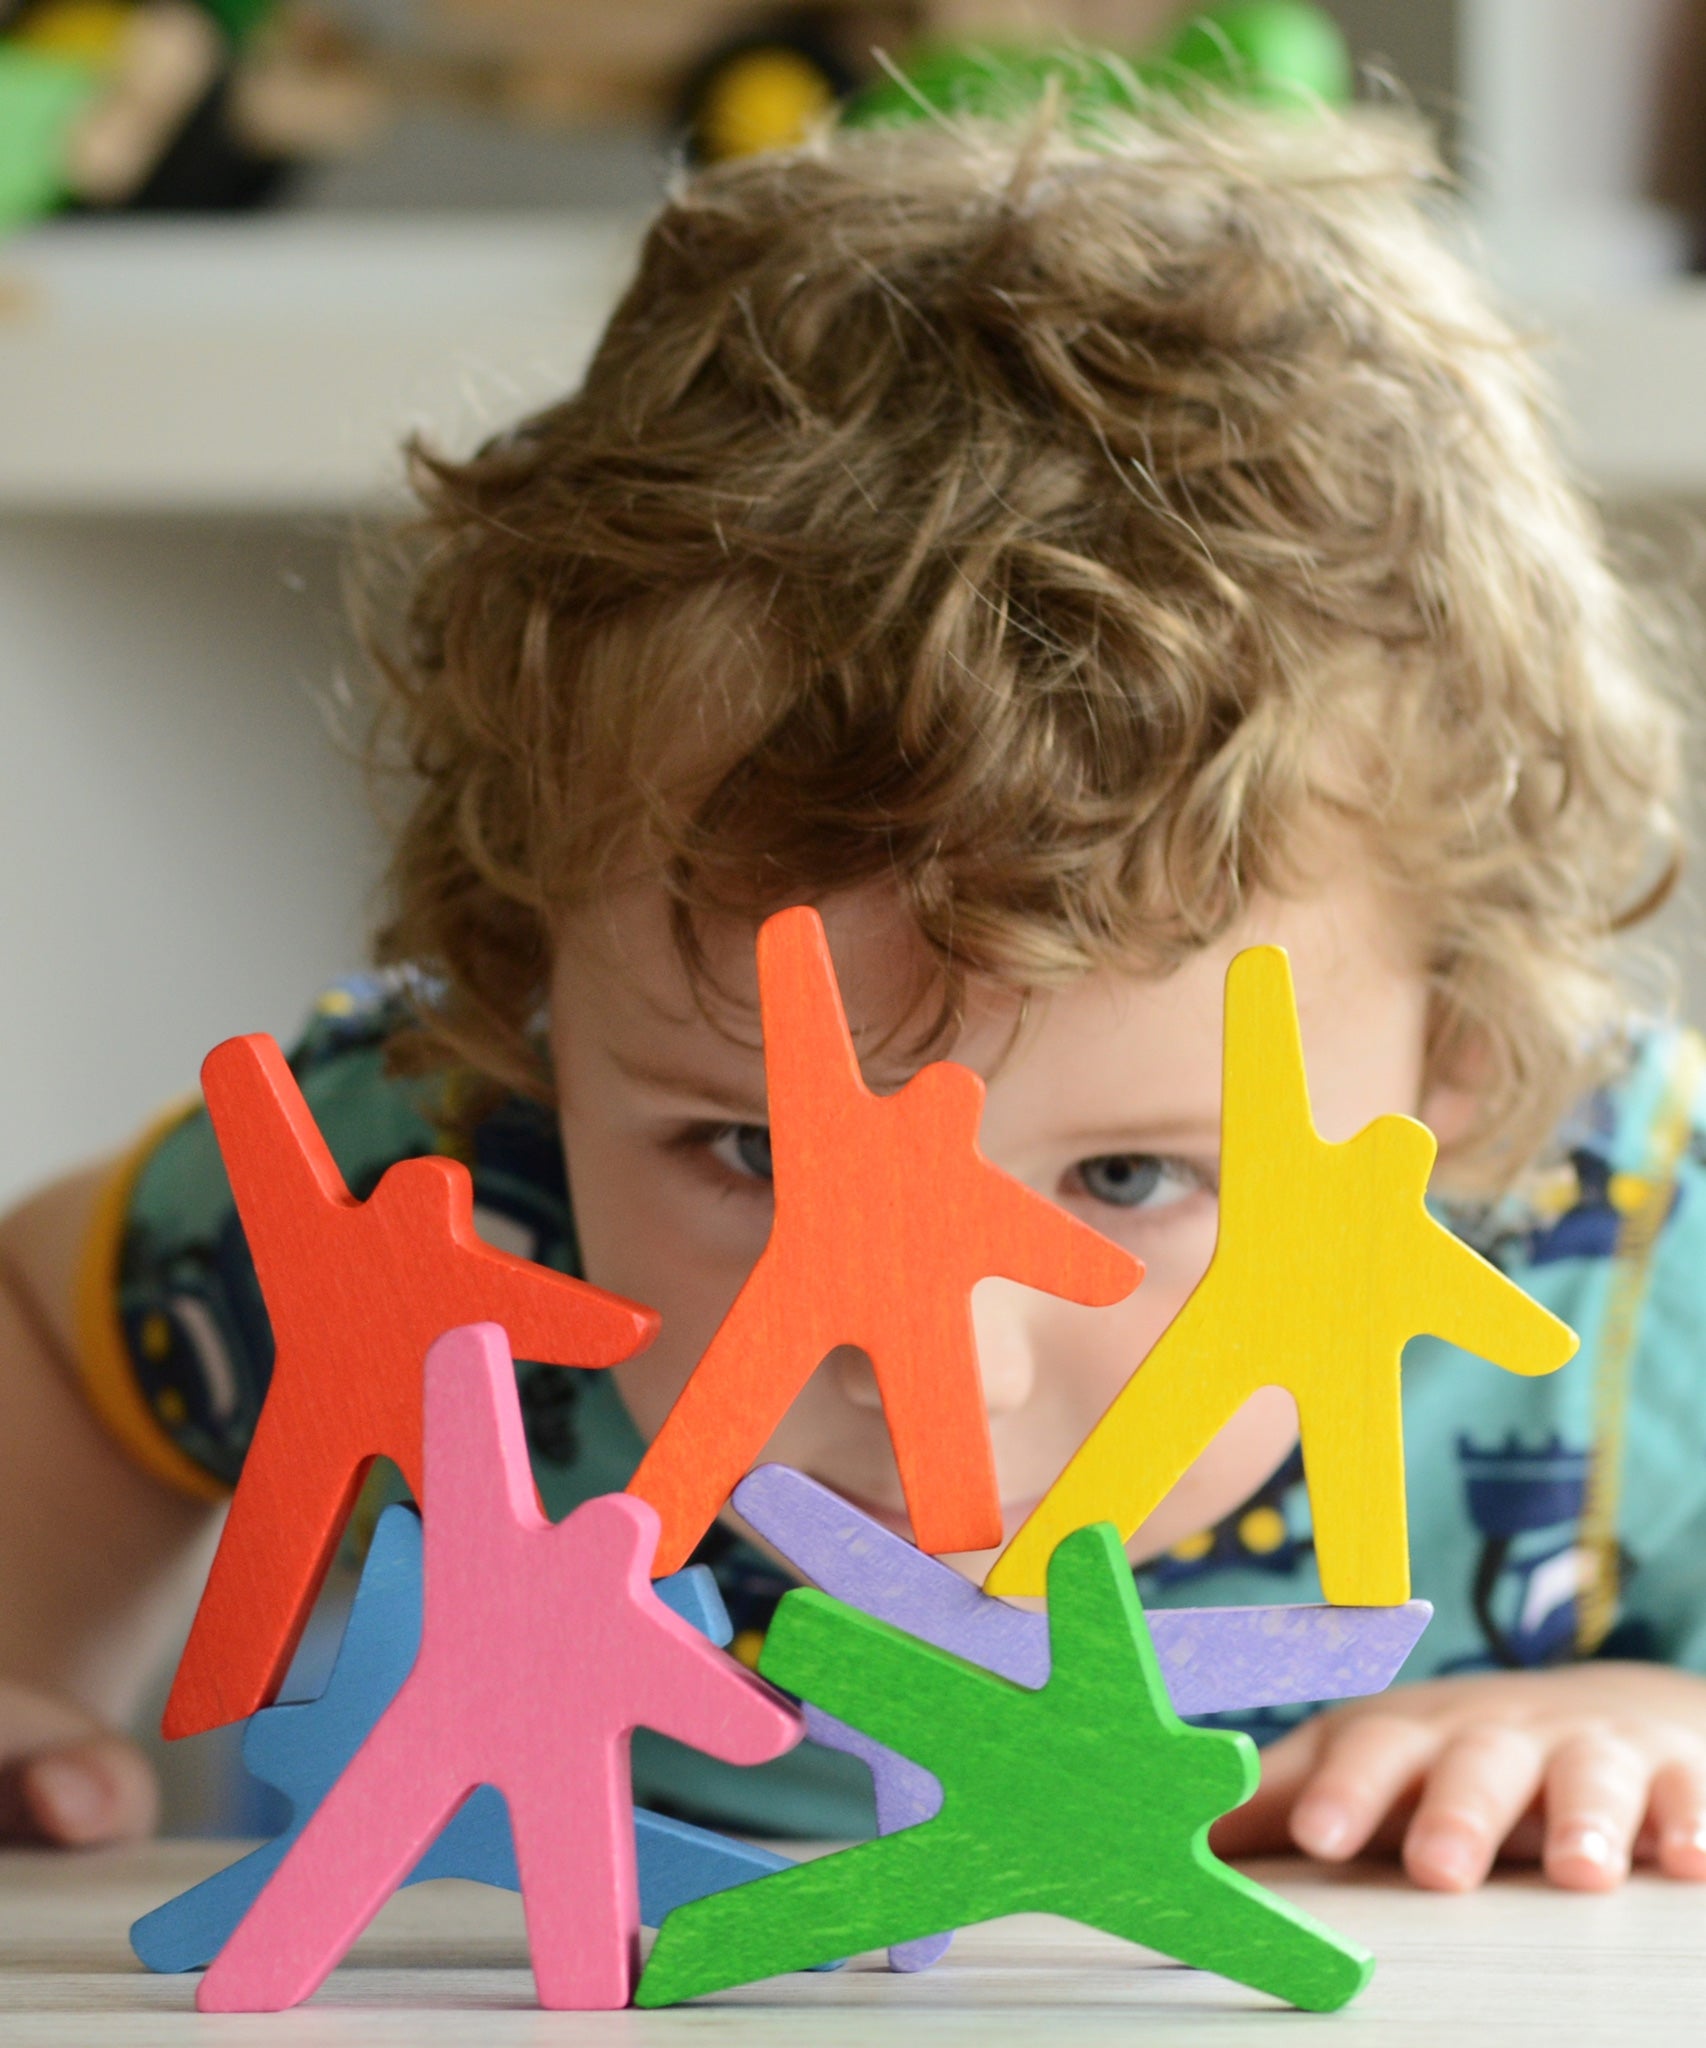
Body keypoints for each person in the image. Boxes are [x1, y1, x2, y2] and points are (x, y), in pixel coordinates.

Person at [3, 87, 1704, 1898]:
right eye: (746, 1146)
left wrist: (1658, 1723)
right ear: (531, 995)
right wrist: (28, 1668)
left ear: (1453, 1064)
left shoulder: (1625, 1274)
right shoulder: (425, 1209)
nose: (931, 1375)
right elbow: (63, 1321)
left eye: (1126, 1179)